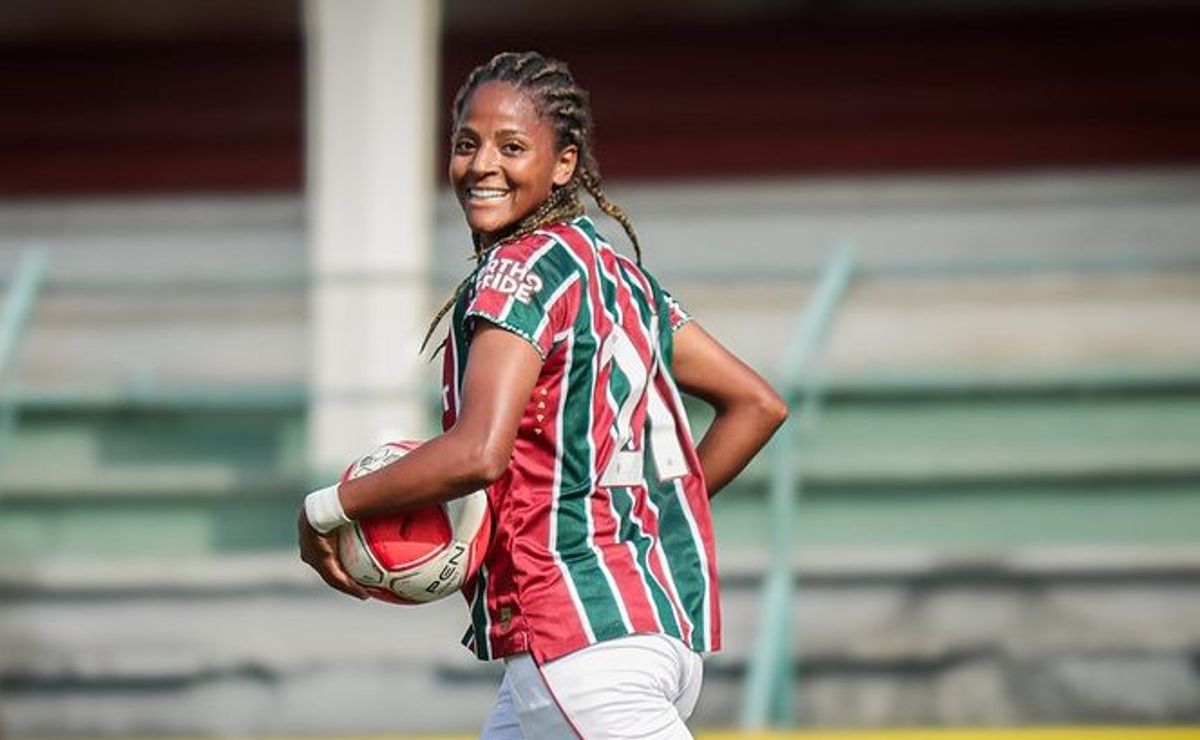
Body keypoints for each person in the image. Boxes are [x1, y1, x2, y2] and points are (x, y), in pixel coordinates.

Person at [298, 51, 787, 739]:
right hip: (649, 630)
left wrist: (326, 510)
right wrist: (630, 526)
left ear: (564, 164)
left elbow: (477, 453)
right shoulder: (619, 277)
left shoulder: (516, 272)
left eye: (513, 146)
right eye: (466, 143)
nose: (482, 164)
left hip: (580, 645)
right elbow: (757, 404)